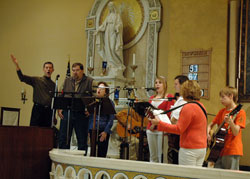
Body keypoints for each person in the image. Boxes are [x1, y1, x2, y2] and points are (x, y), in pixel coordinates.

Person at [151, 80, 207, 167]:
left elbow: (179, 129)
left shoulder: (188, 107)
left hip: (190, 148)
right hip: (201, 148)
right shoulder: (201, 105)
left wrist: (160, 123)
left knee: (186, 176)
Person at [10, 54, 55, 127]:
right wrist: (17, 65)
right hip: (37, 110)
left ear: (53, 70)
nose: (48, 69)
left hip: (48, 112)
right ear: (43, 69)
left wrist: (54, 116)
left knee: (47, 133)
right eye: (46, 68)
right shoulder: (36, 80)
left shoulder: (54, 85)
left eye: (50, 68)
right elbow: (22, 78)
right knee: (34, 131)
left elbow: (54, 100)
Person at [207, 86, 246, 170]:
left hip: (232, 149)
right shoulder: (221, 111)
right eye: (220, 97)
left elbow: (236, 132)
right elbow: (210, 125)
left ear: (231, 96)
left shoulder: (240, 112)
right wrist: (208, 134)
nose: (221, 99)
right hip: (219, 149)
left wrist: (230, 122)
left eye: (223, 97)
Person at [58, 63, 94, 153]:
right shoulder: (67, 81)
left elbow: (96, 97)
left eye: (77, 70)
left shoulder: (90, 81)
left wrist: (91, 110)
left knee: (82, 139)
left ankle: (82, 160)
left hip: (81, 113)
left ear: (82, 71)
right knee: (64, 137)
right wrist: (59, 109)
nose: (75, 72)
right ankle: (63, 157)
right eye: (73, 70)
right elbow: (60, 95)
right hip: (67, 112)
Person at [146, 76, 175, 163]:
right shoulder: (152, 98)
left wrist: (155, 124)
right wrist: (151, 123)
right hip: (150, 128)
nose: (157, 84)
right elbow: (148, 112)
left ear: (165, 85)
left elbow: (168, 114)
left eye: (160, 82)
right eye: (156, 82)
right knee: (153, 156)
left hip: (161, 129)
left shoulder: (169, 97)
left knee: (162, 156)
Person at [95, 1, 125, 76]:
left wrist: (117, 27)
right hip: (107, 33)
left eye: (111, 6)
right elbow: (104, 25)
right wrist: (98, 30)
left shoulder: (117, 15)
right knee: (108, 49)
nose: (110, 8)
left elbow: (120, 24)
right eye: (109, 7)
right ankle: (110, 65)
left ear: (113, 7)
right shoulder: (108, 16)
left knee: (112, 48)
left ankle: (117, 65)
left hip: (113, 33)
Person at [88, 81, 114, 157]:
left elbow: (111, 118)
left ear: (106, 92)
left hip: (103, 130)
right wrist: (88, 130)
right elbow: (90, 117)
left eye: (102, 89)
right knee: (92, 153)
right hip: (93, 129)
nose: (99, 90)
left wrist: (106, 131)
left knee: (101, 153)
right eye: (98, 88)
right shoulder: (93, 102)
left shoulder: (110, 103)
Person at [167, 75, 188, 164]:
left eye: (176, 84)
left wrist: (171, 118)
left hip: (178, 137)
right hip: (173, 136)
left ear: (182, 85)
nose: (174, 86)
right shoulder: (179, 99)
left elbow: (174, 119)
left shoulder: (184, 100)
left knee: (176, 162)